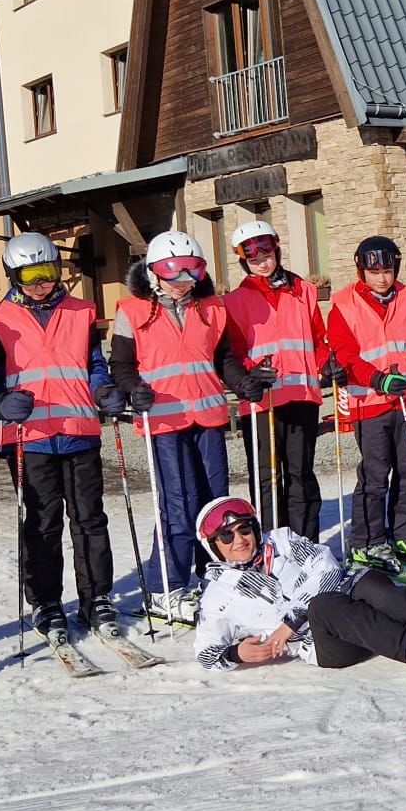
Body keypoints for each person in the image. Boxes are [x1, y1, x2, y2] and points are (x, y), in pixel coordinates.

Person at [0, 232, 128, 647]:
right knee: (42, 523)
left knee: (90, 519)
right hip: (29, 437)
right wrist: (0, 402)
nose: (41, 283)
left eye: (47, 272)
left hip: (79, 430)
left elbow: (93, 364)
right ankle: (45, 602)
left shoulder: (81, 311)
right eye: (30, 276)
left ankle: (96, 597)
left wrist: (103, 389)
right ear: (13, 276)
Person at [111, 231, 272, 624]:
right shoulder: (132, 311)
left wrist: (242, 383)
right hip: (165, 420)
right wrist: (133, 390)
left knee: (214, 503)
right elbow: (121, 365)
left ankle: (212, 574)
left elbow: (223, 359)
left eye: (192, 271)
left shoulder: (212, 308)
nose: (183, 280)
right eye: (173, 271)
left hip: (208, 418)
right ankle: (165, 587)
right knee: (179, 506)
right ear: (154, 272)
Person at [192, 496, 406, 677]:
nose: (239, 540)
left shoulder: (281, 542)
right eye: (226, 536)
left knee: (386, 595)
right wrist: (235, 653)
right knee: (324, 607)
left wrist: (290, 620)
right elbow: (205, 654)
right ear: (213, 546)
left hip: (355, 593)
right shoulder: (217, 595)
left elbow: (326, 566)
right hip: (327, 644)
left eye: (245, 529)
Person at [222, 220, 342, 540]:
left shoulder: (304, 291)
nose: (262, 262)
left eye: (267, 254)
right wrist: (251, 371)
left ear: (276, 249)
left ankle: (304, 543)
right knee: (267, 476)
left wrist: (326, 363)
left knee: (300, 472)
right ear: (243, 261)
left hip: (301, 395)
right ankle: (273, 540)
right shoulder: (234, 302)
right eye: (254, 258)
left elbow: (317, 339)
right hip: (262, 400)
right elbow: (232, 353)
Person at [326, 236, 406, 566]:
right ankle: (367, 540)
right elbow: (346, 355)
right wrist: (377, 379)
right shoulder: (344, 304)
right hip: (369, 401)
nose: (382, 278)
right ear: (362, 272)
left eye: (387, 271)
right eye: (374, 272)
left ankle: (405, 532)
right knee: (375, 474)